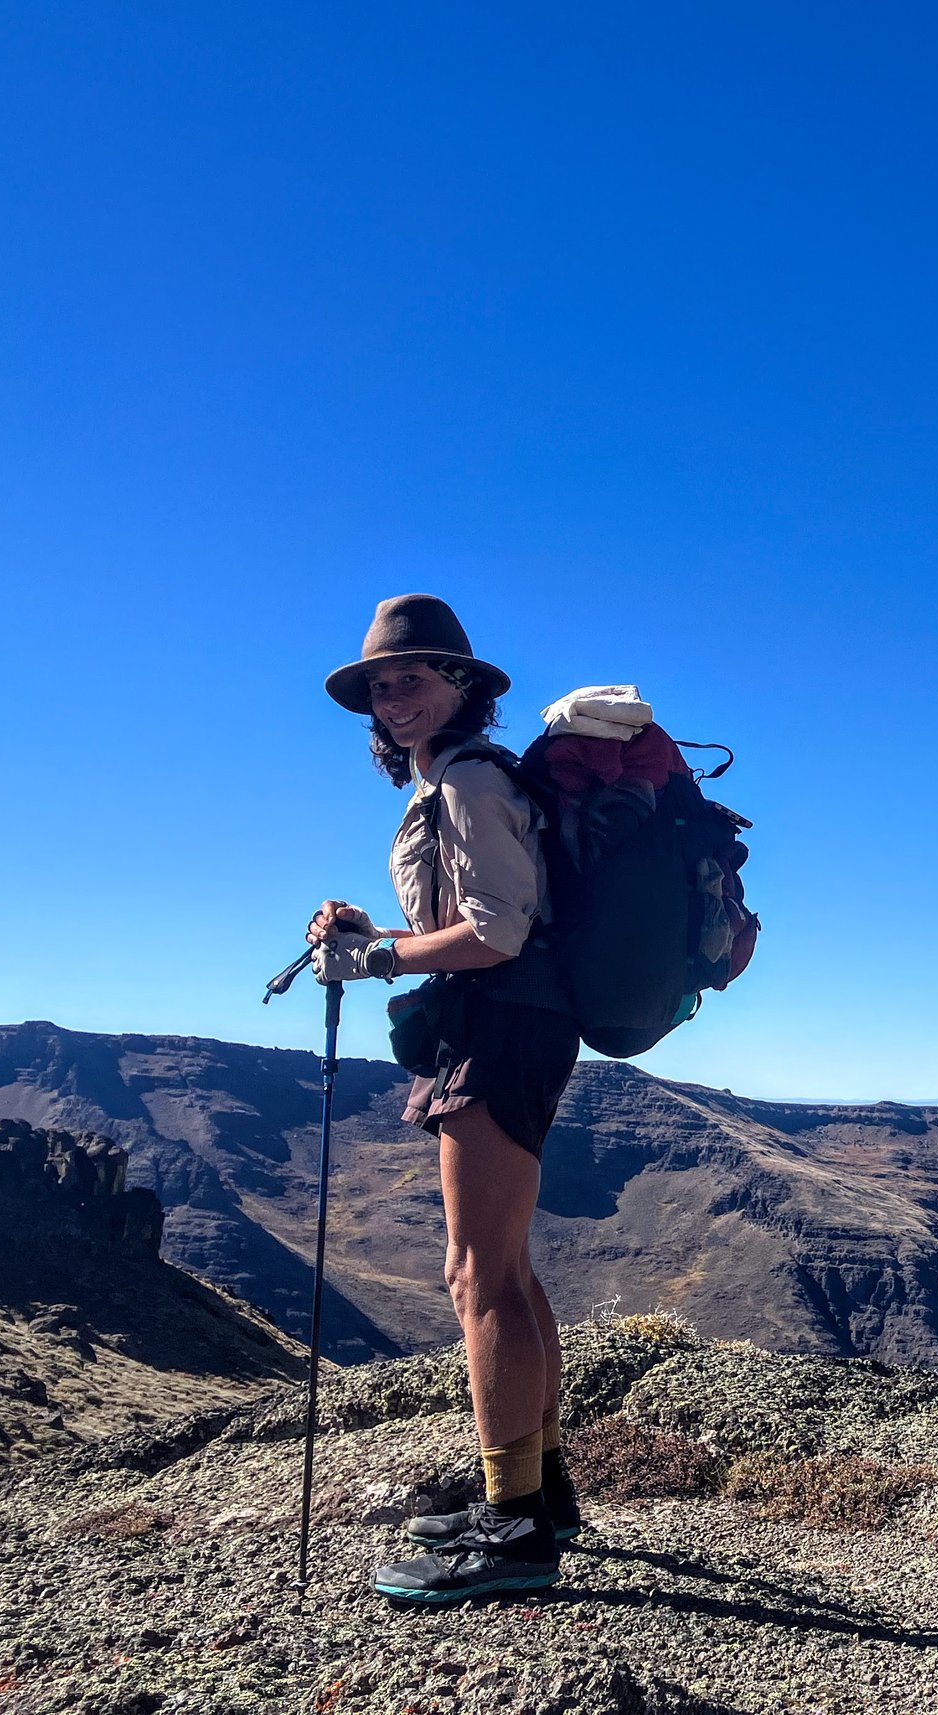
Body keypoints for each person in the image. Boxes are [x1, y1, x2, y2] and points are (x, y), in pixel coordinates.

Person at [308, 593, 582, 1604]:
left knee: (477, 1279)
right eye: (381, 685)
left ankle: (513, 1530)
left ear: (462, 685)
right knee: (504, 1269)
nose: (393, 696)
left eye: (412, 677)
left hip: (501, 1025)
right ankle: (540, 1493)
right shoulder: (446, 786)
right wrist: (374, 929)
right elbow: (473, 921)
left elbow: (498, 931)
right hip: (508, 1022)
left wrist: (372, 956)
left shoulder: (467, 780)